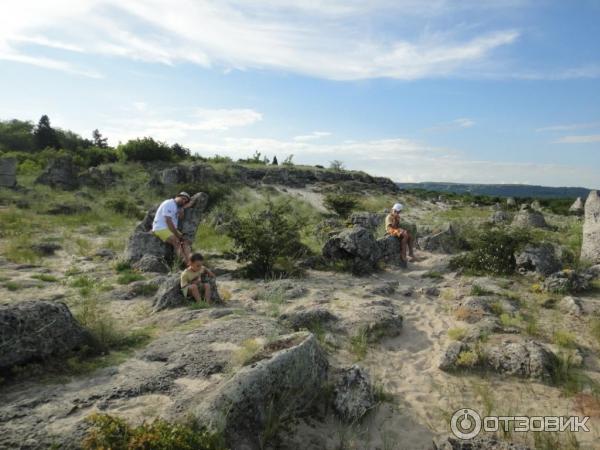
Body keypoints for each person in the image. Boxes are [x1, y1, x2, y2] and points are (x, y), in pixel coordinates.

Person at [152, 192, 194, 265]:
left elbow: (181, 217)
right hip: (160, 228)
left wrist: (182, 210)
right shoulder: (169, 203)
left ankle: (192, 261)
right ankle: (188, 264)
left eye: (185, 201)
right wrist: (177, 234)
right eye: (183, 198)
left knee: (186, 241)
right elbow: (168, 221)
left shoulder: (177, 206)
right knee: (176, 241)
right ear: (177, 196)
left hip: (168, 229)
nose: (184, 201)